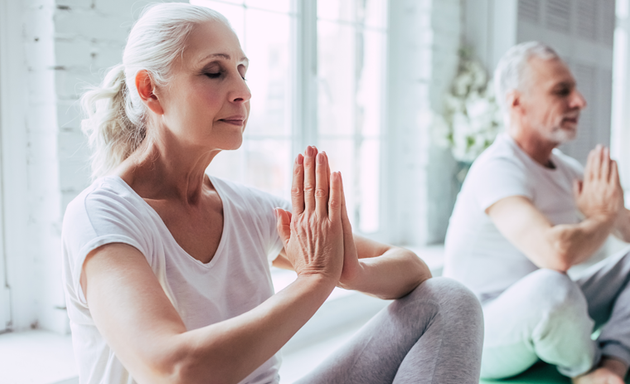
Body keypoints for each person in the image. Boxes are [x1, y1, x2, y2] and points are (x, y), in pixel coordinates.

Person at [61, 3, 483, 384]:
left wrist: (346, 269)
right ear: (150, 90)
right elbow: (174, 370)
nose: (242, 91)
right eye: (215, 71)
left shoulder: (247, 209)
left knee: (447, 301)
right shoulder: (102, 217)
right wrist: (316, 279)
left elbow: (412, 268)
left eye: (243, 70)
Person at [444, 40, 630, 384]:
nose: (580, 102)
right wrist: (602, 218)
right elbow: (555, 254)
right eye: (562, 91)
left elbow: (624, 226)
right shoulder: (496, 167)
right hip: (479, 331)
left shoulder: (567, 170)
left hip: (547, 312)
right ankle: (587, 369)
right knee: (552, 286)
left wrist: (613, 210)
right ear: (517, 102)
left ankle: (614, 364)